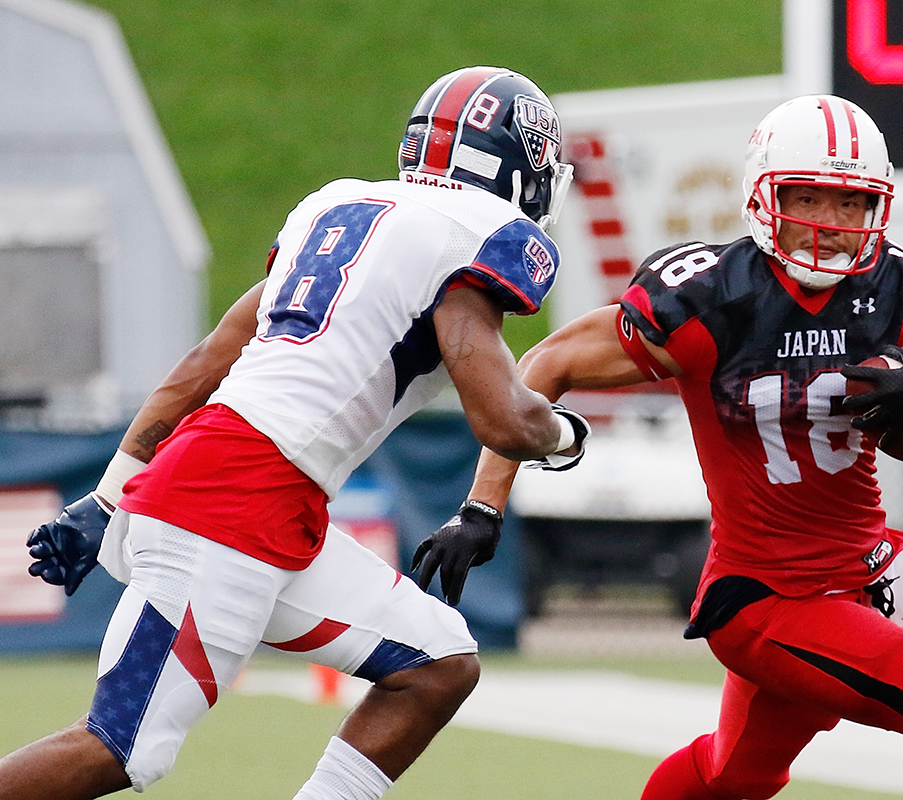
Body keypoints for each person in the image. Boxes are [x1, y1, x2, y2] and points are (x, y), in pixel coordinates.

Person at [413, 95, 903, 800]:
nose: (830, 226)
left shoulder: (894, 289)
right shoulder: (711, 298)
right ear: (762, 192)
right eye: (809, 197)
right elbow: (544, 363)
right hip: (764, 598)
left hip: (860, 584)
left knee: (733, 773)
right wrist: (483, 507)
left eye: (849, 203)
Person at [5, 65, 589, 800]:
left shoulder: (338, 208)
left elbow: (204, 363)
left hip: (261, 498)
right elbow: (504, 416)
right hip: (229, 501)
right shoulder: (474, 236)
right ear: (521, 163)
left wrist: (109, 495)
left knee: (438, 663)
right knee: (120, 746)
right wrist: (564, 435)